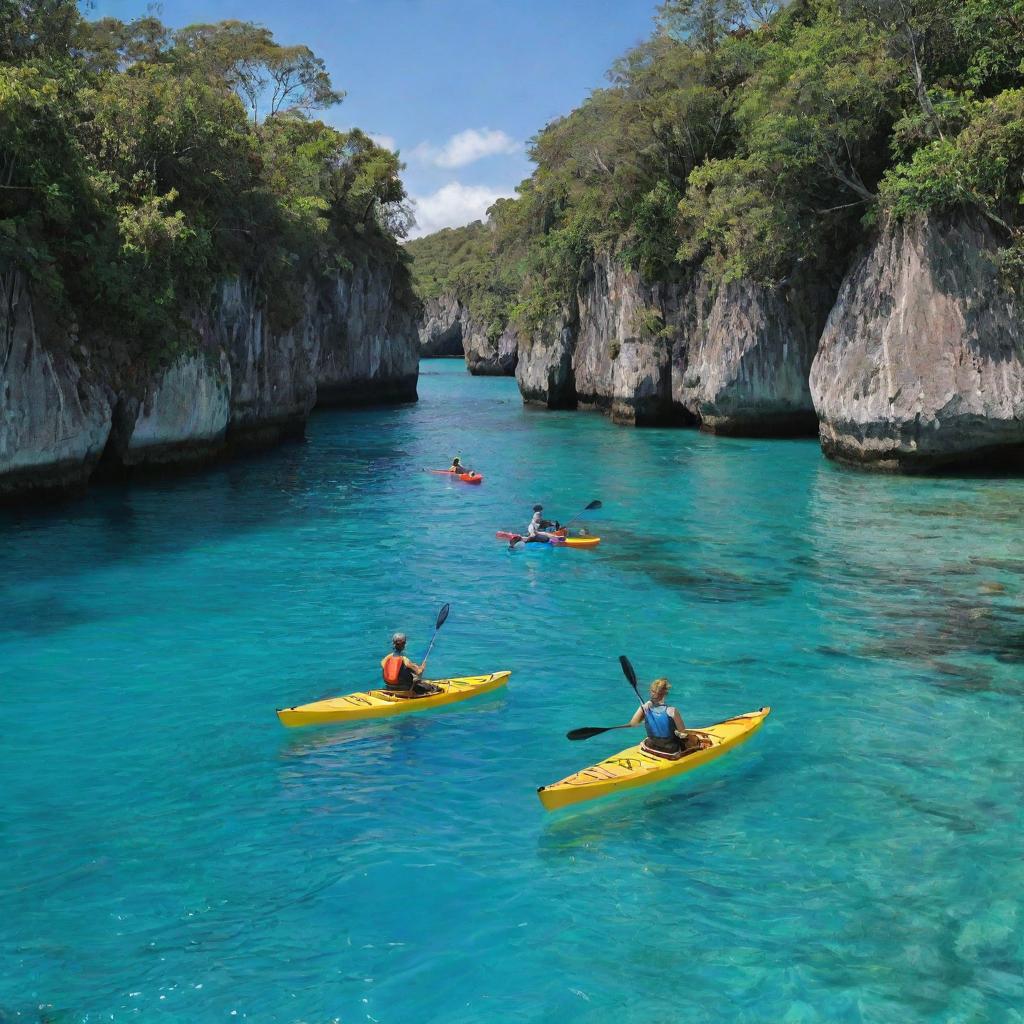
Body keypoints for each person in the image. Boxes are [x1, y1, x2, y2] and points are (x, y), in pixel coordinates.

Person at [626, 678, 705, 757]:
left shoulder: (644, 708)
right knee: (694, 740)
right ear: (665, 693)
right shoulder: (672, 711)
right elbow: (683, 731)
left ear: (650, 691)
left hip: (650, 746)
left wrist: (645, 714)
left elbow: (633, 724)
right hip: (670, 751)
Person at [380, 633, 434, 697]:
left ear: (393, 643)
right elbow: (419, 672)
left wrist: (409, 667)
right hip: (405, 689)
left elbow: (391, 667)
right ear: (404, 645)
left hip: (389, 687)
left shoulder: (386, 659)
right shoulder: (405, 660)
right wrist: (422, 667)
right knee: (431, 688)